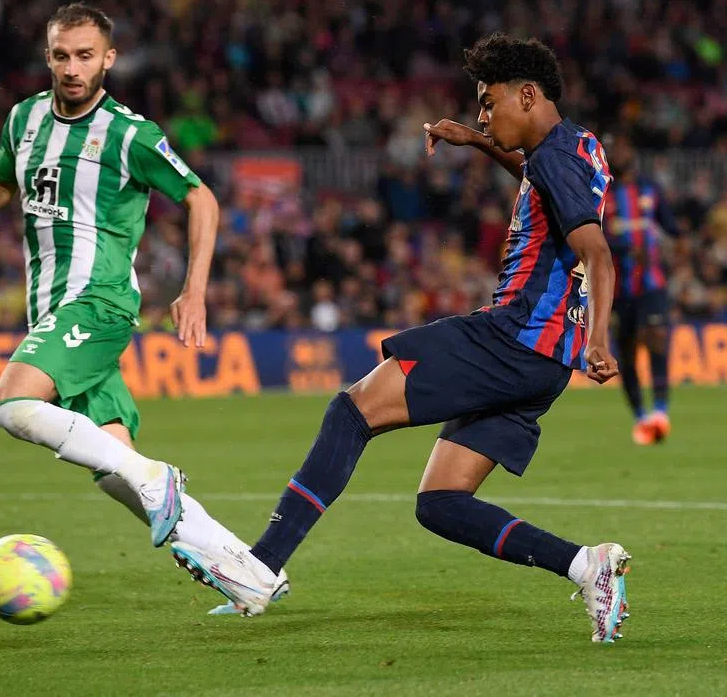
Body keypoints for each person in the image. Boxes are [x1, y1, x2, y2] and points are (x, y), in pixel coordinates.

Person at [171, 33, 633, 643]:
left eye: (488, 103)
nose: (482, 114)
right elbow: (545, 182)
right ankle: (585, 565)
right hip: (543, 361)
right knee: (440, 502)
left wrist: (601, 338)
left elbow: (597, 254)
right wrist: (481, 145)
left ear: (528, 95)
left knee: (352, 410)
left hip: (514, 336)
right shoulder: (579, 148)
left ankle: (260, 566)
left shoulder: (552, 158)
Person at [0, 3, 278, 582]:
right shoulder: (24, 119)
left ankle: (159, 480)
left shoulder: (128, 134)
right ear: (48, 56)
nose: (73, 68)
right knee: (117, 471)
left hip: (98, 302)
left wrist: (194, 292)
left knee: (11, 403)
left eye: (86, 56)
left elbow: (202, 199)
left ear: (109, 60)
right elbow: (3, 184)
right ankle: (249, 575)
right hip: (50, 309)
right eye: (62, 55)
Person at [603, 138, 676, 445]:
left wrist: (679, 245)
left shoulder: (650, 189)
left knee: (657, 336)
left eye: (624, 148)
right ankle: (640, 416)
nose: (621, 153)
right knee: (628, 353)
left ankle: (661, 410)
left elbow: (671, 227)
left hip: (651, 283)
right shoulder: (602, 193)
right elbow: (596, 234)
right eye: (615, 150)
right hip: (618, 289)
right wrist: (628, 250)